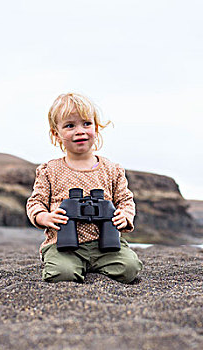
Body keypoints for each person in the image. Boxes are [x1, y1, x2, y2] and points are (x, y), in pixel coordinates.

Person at [26, 93, 143, 283]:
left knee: (129, 269)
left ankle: (90, 265)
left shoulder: (112, 170)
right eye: (70, 126)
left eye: (86, 124)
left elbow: (125, 200)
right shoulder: (49, 170)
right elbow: (35, 202)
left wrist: (125, 215)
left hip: (105, 244)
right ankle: (70, 264)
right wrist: (45, 217)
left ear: (96, 128)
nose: (80, 131)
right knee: (62, 274)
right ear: (56, 133)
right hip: (64, 244)